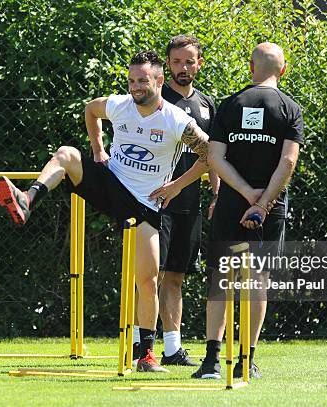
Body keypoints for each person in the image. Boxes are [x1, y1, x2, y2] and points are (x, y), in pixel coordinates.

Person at [0, 50, 211, 373]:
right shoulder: (120, 104)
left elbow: (210, 154)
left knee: (148, 281)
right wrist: (98, 148)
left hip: (146, 203)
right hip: (111, 182)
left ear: (159, 81)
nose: (136, 87)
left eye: (143, 81)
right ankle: (27, 199)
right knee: (67, 154)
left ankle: (146, 355)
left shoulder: (177, 121)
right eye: (132, 81)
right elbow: (91, 110)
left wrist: (177, 185)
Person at [192, 42, 304, 379]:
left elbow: (215, 157)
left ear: (251, 68)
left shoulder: (231, 104)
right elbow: (288, 161)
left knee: (221, 278)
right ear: (283, 70)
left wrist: (243, 194)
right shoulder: (290, 109)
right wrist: (263, 202)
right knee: (258, 281)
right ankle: (246, 360)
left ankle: (211, 360)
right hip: (270, 205)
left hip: (230, 203)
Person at [132, 35, 219, 367]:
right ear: (167, 65)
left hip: (189, 203)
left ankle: (172, 348)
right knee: (149, 275)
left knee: (176, 276)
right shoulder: (155, 98)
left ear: (199, 64)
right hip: (154, 201)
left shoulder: (208, 105)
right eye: (177, 62)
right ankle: (142, 347)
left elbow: (213, 155)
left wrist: (216, 193)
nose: (183, 68)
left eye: (189, 61)